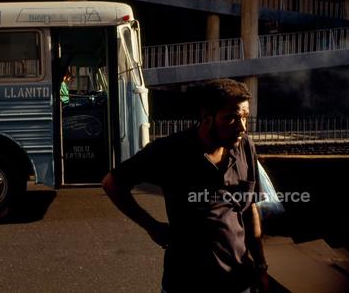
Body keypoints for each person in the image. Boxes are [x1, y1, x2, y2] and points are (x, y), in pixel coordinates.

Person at [102, 78, 269, 292]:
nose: (242, 127)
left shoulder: (244, 146)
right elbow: (112, 183)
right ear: (206, 117)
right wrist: (152, 227)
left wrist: (261, 265)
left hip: (239, 280)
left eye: (245, 117)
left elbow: (250, 208)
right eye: (232, 118)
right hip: (186, 280)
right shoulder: (171, 150)